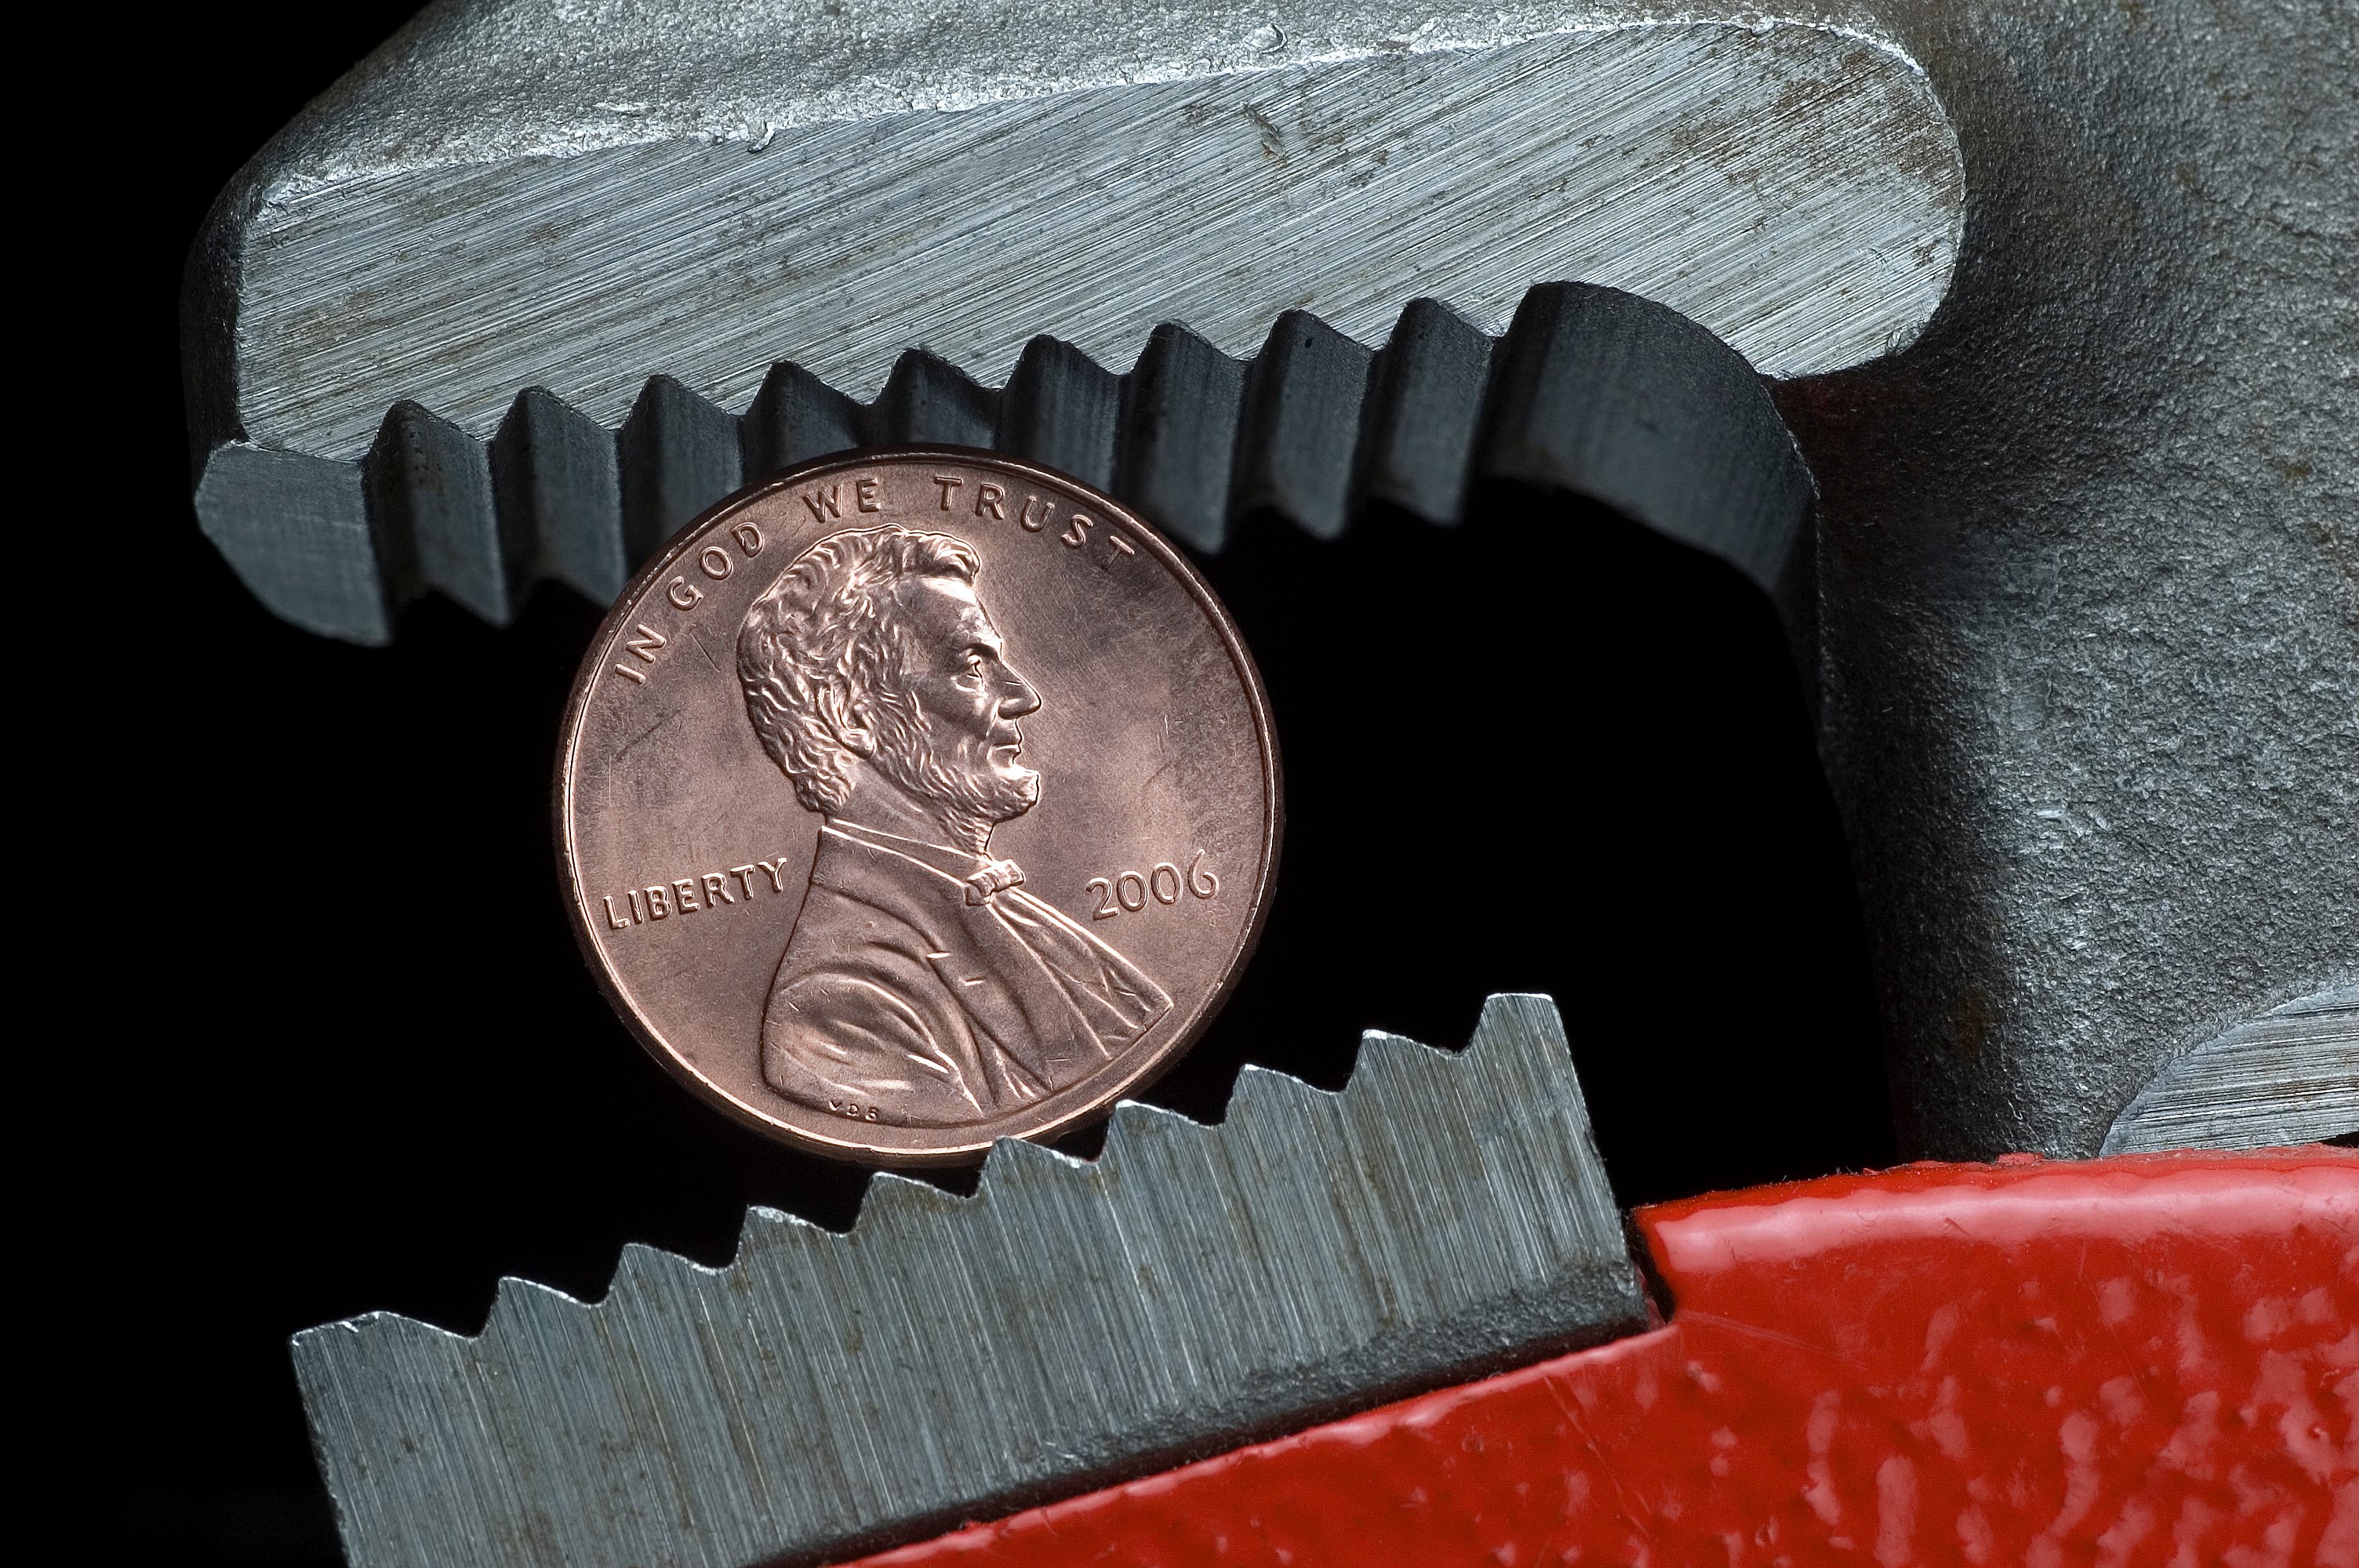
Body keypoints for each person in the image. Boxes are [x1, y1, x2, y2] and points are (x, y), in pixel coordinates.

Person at [737, 525, 1171, 1126]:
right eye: (971, 665)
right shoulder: (838, 1007)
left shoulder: (1011, 911)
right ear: (850, 712)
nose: (1023, 696)